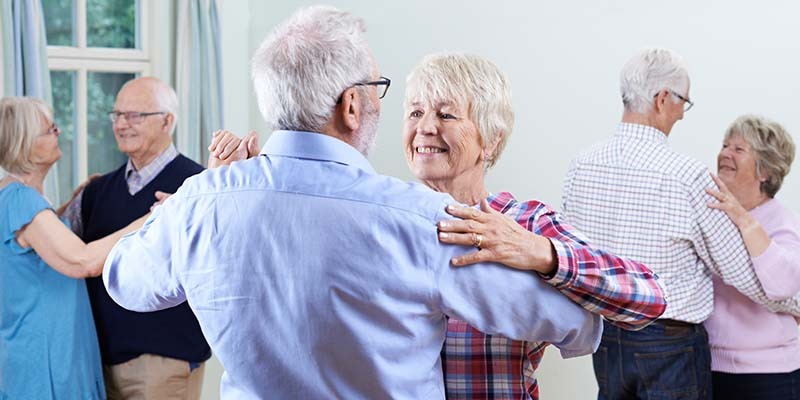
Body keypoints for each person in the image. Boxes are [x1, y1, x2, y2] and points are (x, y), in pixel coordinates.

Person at [101, 6, 603, 398]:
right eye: (380, 91)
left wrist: (194, 200)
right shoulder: (419, 220)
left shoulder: (202, 200)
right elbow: (577, 325)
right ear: (351, 104)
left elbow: (124, 280)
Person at [400, 53, 666, 400]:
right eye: (415, 112)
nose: (425, 127)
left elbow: (649, 298)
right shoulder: (386, 220)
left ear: (491, 139)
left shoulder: (525, 223)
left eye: (446, 114)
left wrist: (540, 252)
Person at [561, 47, 800, 399]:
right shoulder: (686, 176)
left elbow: (571, 252)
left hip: (606, 337)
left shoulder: (582, 165)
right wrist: (792, 307)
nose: (682, 115)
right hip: (667, 343)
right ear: (661, 99)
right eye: (682, 102)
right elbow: (738, 270)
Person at [62, 77, 211, 399]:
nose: (122, 124)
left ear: (167, 121)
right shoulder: (97, 190)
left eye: (134, 116)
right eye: (117, 115)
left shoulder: (199, 186)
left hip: (165, 359)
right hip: (100, 361)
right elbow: (60, 250)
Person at [0, 97, 146, 398]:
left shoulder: (16, 198)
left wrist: (70, 203)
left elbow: (36, 251)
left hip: (41, 345)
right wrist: (155, 217)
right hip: (46, 355)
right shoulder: (21, 200)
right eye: (49, 129)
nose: (59, 132)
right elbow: (82, 261)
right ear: (24, 143)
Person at [703, 115, 799, 400]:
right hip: (709, 367)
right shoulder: (712, 215)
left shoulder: (781, 221)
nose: (725, 154)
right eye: (724, 145)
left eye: (739, 149)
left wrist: (743, 220)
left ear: (765, 171)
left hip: (770, 376)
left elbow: (783, 284)